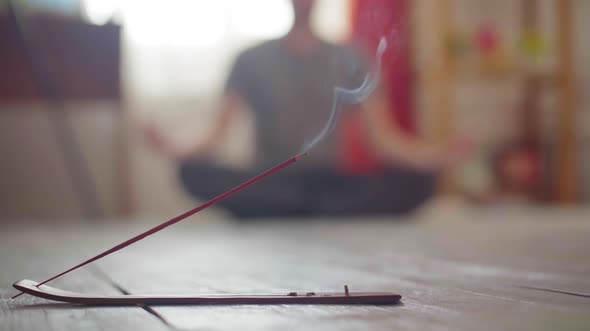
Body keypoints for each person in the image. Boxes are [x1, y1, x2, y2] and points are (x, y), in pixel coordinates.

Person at [143, 0, 468, 218]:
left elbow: (382, 139)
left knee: (419, 183)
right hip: (268, 182)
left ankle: (300, 209)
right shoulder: (250, 59)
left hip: (330, 182)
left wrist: (434, 157)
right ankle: (306, 209)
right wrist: (175, 147)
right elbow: (215, 134)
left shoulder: (352, 56)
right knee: (193, 172)